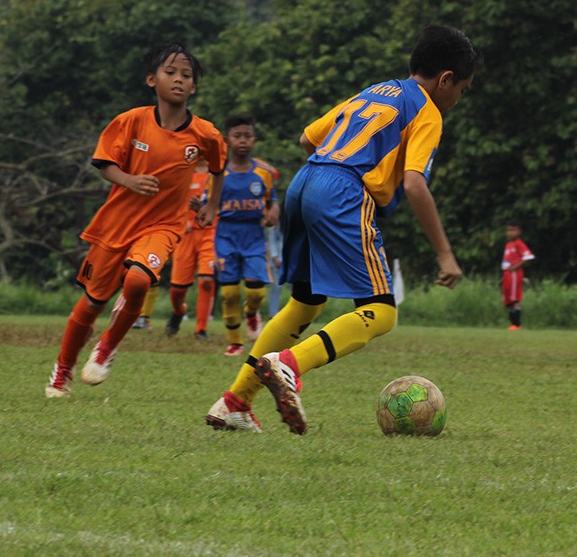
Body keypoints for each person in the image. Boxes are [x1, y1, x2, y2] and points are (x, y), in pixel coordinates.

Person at [205, 24, 482, 434]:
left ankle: (235, 402)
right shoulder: (426, 111)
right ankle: (288, 365)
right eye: (462, 89)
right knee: (382, 312)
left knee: (305, 303)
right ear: (445, 80)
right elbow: (414, 183)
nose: (458, 99)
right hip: (343, 193)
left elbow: (307, 137)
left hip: (306, 181)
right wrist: (445, 253)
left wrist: (330, 171)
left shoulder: (377, 90)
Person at [45, 43, 226, 397]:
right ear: (150, 80)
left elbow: (219, 168)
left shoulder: (205, 134)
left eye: (186, 75)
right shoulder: (130, 121)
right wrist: (129, 180)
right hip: (116, 225)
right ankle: (62, 372)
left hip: (164, 226)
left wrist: (212, 205)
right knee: (92, 303)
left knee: (140, 280)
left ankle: (108, 347)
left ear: (193, 88)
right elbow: (104, 164)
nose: (178, 80)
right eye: (170, 72)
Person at [214, 115, 279, 356]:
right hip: (226, 236)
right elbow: (208, 204)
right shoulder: (219, 174)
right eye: (237, 136)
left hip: (253, 235)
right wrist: (198, 208)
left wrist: (273, 212)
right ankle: (235, 342)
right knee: (229, 293)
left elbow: (273, 201)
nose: (242, 141)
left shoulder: (263, 173)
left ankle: (251, 313)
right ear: (227, 140)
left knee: (256, 292)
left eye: (247, 136)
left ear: (254, 140)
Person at [163, 154, 218, 341]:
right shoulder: (182, 173)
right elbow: (171, 202)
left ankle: (201, 329)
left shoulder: (217, 175)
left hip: (210, 233)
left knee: (206, 281)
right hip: (185, 235)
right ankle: (179, 311)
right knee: (177, 290)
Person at [500, 219, 535, 330]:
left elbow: (528, 256)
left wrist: (516, 266)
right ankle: (512, 324)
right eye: (509, 230)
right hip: (507, 274)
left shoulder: (519, 244)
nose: (510, 233)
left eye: (513, 230)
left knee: (514, 298)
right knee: (508, 299)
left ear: (519, 231)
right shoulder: (509, 244)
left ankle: (517, 324)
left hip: (515, 274)